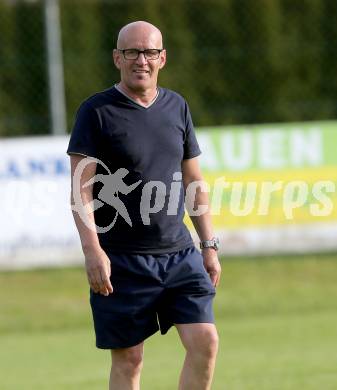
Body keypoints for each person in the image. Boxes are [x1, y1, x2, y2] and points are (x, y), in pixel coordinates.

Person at [67, 21, 221, 390]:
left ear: (162, 58)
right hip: (122, 258)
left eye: (150, 52)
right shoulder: (96, 112)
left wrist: (209, 244)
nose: (142, 60)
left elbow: (193, 181)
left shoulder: (177, 106)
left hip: (179, 254)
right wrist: (93, 252)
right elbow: (80, 190)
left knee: (205, 341)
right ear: (117, 58)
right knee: (129, 360)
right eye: (132, 52)